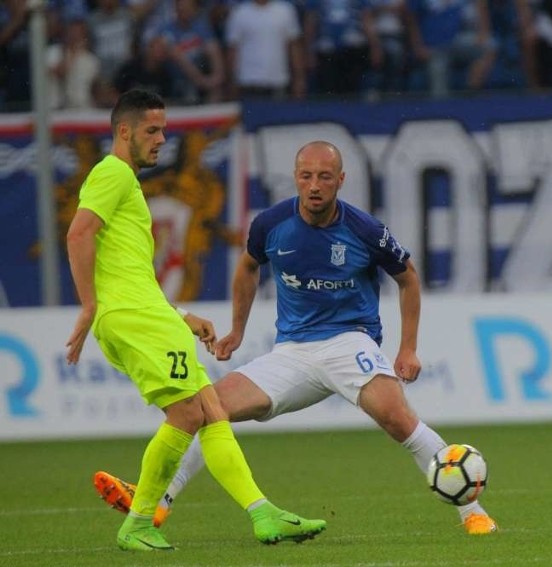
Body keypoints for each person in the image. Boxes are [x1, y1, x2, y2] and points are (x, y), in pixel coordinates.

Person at [93, 140, 499, 536]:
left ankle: (473, 512)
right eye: (306, 176)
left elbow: (407, 277)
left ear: (341, 179)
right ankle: (159, 502)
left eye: (324, 177)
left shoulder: (365, 229)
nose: (314, 185)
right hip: (291, 351)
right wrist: (237, 330)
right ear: (295, 178)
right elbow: (248, 267)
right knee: (206, 407)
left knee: (398, 419)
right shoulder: (271, 224)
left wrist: (407, 347)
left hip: (349, 341)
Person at [65, 89, 326, 552]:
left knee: (210, 411)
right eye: (152, 130)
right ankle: (141, 522)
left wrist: (182, 316)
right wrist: (88, 306)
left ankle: (262, 514)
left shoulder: (124, 181)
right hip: (132, 319)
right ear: (123, 131)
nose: (162, 139)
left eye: (164, 129)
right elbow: (79, 233)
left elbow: (131, 273)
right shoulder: (111, 173)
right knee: (191, 413)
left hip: (148, 314)